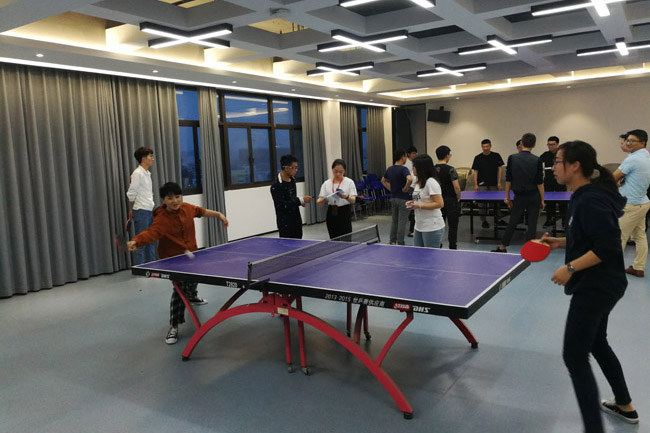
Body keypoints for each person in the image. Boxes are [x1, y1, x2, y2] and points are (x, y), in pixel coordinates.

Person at [543, 140, 638, 433]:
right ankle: (624, 404)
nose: (553, 167)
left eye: (557, 161)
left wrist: (570, 268)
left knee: (574, 356)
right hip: (607, 283)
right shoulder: (585, 195)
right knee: (597, 342)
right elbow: (589, 234)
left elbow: (607, 247)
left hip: (596, 286)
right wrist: (561, 242)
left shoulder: (589, 199)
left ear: (575, 166)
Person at [127, 182, 229, 345]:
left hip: (191, 254)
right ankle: (174, 325)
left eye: (177, 196)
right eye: (170, 198)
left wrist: (218, 215)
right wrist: (136, 241)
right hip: (173, 260)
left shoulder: (187, 208)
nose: (175, 201)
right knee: (180, 290)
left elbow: (201, 211)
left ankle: (193, 295)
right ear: (163, 200)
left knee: (194, 278)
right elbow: (151, 233)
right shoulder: (162, 219)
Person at [492, 133, 544, 252]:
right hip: (534, 195)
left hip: (519, 196)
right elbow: (539, 182)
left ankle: (502, 247)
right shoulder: (537, 160)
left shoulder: (512, 158)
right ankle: (530, 250)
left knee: (512, 222)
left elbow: (508, 179)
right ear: (534, 144)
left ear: (521, 143)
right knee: (532, 224)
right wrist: (542, 199)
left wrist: (507, 196)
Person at [612, 129, 650, 278]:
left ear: (642, 143)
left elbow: (613, 178)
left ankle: (611, 271)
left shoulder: (633, 159)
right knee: (640, 236)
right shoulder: (646, 156)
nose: (628, 143)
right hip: (642, 203)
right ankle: (638, 267)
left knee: (618, 237)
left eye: (632, 141)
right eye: (627, 140)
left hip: (630, 205)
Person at [406, 154, 445, 248]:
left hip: (432, 226)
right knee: (418, 254)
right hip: (419, 225)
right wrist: (412, 203)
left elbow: (440, 203)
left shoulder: (431, 183)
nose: (413, 169)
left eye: (414, 166)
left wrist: (419, 206)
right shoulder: (418, 182)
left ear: (421, 168)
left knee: (430, 255)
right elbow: (421, 199)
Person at [126, 146, 156, 264]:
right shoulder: (137, 173)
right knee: (141, 242)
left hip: (149, 210)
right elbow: (131, 193)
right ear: (143, 159)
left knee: (150, 240)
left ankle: (152, 266)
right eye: (150, 156)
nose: (153, 159)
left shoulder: (147, 173)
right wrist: (133, 209)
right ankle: (141, 268)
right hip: (141, 211)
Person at [270, 154, 312, 239]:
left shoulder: (292, 180)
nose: (296, 170)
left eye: (297, 167)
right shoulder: (276, 186)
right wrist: (300, 200)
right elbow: (282, 205)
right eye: (294, 168)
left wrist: (301, 202)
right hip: (285, 224)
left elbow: (291, 199)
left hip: (296, 221)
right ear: (286, 168)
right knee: (287, 245)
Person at [317, 159, 357, 239]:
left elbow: (353, 200)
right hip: (331, 211)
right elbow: (320, 199)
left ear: (344, 171)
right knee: (333, 237)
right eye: (336, 171)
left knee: (346, 237)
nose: (338, 174)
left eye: (341, 172)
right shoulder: (326, 183)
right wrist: (319, 201)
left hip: (344, 211)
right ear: (332, 169)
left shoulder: (349, 182)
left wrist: (346, 197)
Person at [472, 139, 504, 229]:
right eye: (484, 147)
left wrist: (499, 182)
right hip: (482, 184)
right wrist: (476, 184)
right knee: (482, 204)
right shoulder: (478, 158)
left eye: (487, 146)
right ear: (481, 147)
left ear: (490, 146)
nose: (485, 148)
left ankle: (498, 220)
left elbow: (500, 169)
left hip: (493, 184)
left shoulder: (496, 156)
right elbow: (475, 172)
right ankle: (484, 221)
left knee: (496, 203)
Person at [382, 149, 412, 245]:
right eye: (406, 157)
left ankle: (392, 241)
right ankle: (400, 242)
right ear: (402, 157)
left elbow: (383, 180)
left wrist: (391, 189)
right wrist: (405, 188)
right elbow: (410, 179)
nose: (406, 159)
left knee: (394, 221)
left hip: (393, 198)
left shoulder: (390, 169)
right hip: (404, 199)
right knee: (402, 222)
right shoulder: (404, 169)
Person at [435, 145, 461, 249]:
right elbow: (456, 186)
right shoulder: (451, 169)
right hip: (450, 200)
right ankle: (452, 246)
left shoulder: (432, 170)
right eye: (449, 154)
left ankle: (437, 244)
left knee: (438, 225)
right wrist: (459, 197)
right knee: (453, 226)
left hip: (437, 200)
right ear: (447, 155)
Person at [540, 136, 567, 227]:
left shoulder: (562, 154)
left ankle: (564, 220)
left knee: (563, 202)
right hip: (549, 181)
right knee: (549, 202)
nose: (550, 146)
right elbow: (538, 163)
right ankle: (550, 219)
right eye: (548, 144)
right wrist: (541, 170)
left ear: (557, 144)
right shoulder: (545, 154)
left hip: (560, 181)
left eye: (552, 144)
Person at [404, 146, 418, 238]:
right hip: (411, 188)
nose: (415, 154)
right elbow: (409, 179)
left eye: (416, 153)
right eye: (413, 153)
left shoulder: (414, 163)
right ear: (408, 154)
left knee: (414, 209)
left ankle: (412, 229)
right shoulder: (406, 164)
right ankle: (411, 230)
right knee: (413, 209)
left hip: (415, 188)